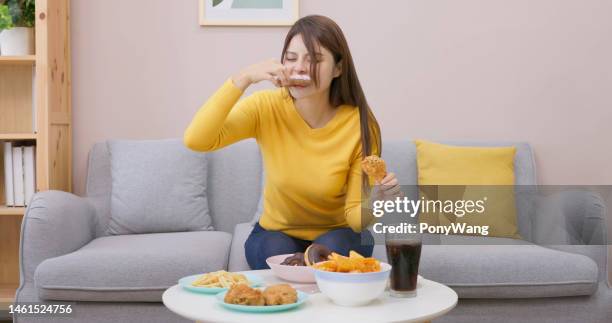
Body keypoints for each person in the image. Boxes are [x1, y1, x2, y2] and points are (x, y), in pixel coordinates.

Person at [184, 15, 399, 269]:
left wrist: (377, 200)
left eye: (315, 60)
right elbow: (197, 140)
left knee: (333, 252)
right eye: (292, 58)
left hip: (339, 233)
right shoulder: (265, 107)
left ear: (338, 68)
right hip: (274, 233)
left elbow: (354, 220)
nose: (300, 68)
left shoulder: (360, 125)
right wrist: (243, 78)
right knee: (279, 256)